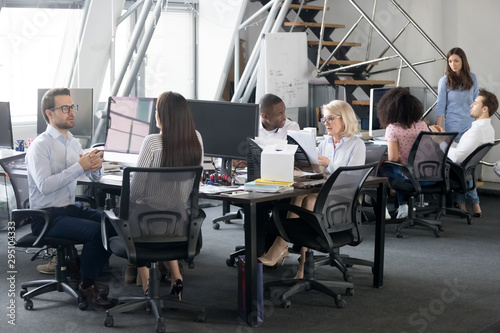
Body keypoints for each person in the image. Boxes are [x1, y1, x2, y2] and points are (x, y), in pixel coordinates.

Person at [26, 88, 115, 308]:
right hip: (46, 216)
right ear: (49, 113)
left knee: (112, 224)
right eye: (64, 108)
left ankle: (81, 270)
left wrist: (95, 167)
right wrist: (79, 167)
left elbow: (91, 175)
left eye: (72, 107)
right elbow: (45, 186)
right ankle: (86, 283)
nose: (71, 112)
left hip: (68, 208)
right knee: (96, 233)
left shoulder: (72, 142)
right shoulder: (40, 145)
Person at [259, 100, 365, 279]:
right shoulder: (325, 142)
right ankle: (287, 247)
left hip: (343, 199)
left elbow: (351, 179)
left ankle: (292, 256)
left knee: (307, 200)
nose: (327, 123)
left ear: (344, 118)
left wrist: (329, 164)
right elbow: (319, 173)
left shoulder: (356, 145)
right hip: (324, 193)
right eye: (324, 120)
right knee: (300, 197)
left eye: (331, 118)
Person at [131, 91, 204, 298]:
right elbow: (196, 180)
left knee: (132, 215)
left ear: (162, 115)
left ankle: (147, 289)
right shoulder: (196, 138)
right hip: (180, 220)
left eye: (156, 111)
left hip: (146, 222)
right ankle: (176, 276)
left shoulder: (152, 142)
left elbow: (135, 191)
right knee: (163, 221)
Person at [430, 89, 497, 217]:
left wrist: (440, 142)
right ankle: (464, 204)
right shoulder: (486, 128)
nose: (471, 105)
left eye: (475, 103)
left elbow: (457, 157)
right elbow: (462, 149)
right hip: (465, 170)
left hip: (455, 170)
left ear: (485, 109)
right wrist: (445, 138)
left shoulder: (477, 131)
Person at [377, 87, 430, 219]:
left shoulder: (392, 128)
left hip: (408, 178)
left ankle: (383, 209)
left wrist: (383, 161)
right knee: (402, 167)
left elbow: (393, 158)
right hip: (427, 176)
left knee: (381, 168)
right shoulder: (422, 125)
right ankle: (403, 206)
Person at [436, 47, 478, 143]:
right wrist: (438, 128)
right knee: (453, 155)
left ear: (463, 61)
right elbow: (440, 105)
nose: (453, 64)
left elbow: (476, 101)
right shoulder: (444, 81)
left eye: (456, 61)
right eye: (450, 61)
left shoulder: (472, 77)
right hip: (453, 126)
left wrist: (478, 124)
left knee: (469, 155)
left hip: (470, 124)